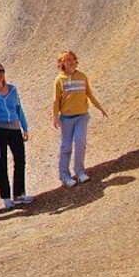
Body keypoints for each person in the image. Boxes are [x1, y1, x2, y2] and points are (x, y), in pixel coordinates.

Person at [52, 51, 109, 187]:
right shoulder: (59, 80)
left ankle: (79, 171)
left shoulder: (82, 77)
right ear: (62, 64)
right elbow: (56, 100)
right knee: (66, 146)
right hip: (66, 118)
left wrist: (99, 107)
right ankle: (64, 175)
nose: (71, 62)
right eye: (67, 60)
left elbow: (89, 94)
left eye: (73, 59)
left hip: (82, 116)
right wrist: (55, 117)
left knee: (80, 142)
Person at [0, 63, 34, 210]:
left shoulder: (12, 89)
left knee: (20, 160)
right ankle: (6, 197)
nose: (1, 74)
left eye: (2, 71)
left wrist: (24, 127)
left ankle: (19, 194)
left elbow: (19, 109)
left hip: (14, 128)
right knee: (2, 164)